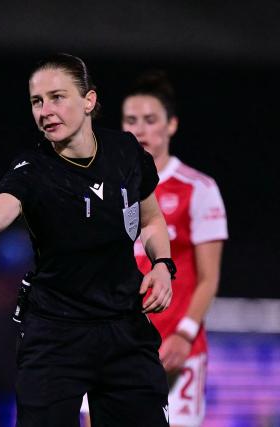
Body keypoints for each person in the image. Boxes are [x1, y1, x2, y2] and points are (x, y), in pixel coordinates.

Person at [0, 54, 174, 426]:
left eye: (57, 97)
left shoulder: (126, 152)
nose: (45, 110)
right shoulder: (32, 169)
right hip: (55, 335)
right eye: (37, 101)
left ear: (89, 101)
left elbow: (151, 220)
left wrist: (163, 265)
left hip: (125, 331)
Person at [122, 71, 227, 426]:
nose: (141, 130)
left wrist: (184, 334)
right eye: (131, 121)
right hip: (115, 346)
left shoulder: (197, 189)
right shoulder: (107, 188)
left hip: (176, 349)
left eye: (151, 120)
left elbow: (209, 279)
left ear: (172, 126)